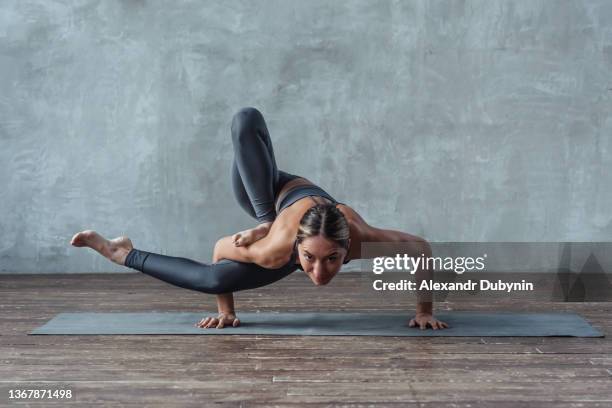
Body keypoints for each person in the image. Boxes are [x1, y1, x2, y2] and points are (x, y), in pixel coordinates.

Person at [70, 107, 448, 330]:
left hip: (290, 198)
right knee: (245, 119)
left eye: (332, 260)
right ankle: (123, 252)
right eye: (310, 260)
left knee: (247, 128)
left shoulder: (363, 237)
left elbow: (421, 250)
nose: (319, 273)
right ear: (296, 250)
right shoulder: (275, 250)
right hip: (269, 195)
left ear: (348, 247)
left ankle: (270, 216)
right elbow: (219, 251)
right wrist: (226, 311)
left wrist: (424, 311)